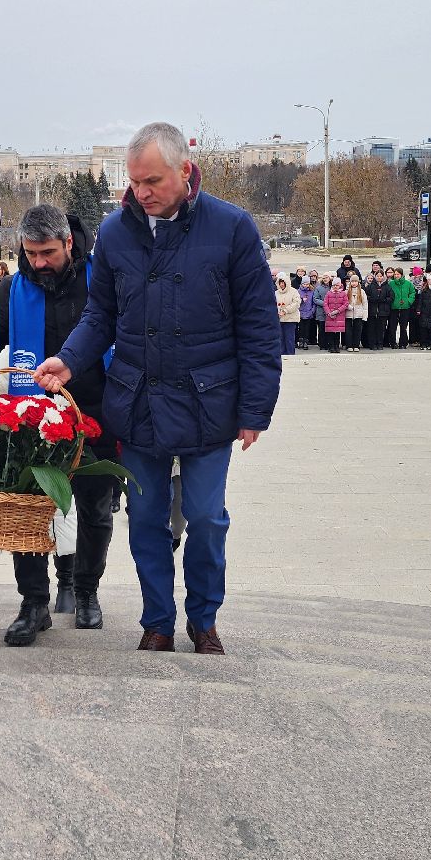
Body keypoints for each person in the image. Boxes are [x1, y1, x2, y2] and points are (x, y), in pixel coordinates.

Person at [33, 122, 281, 655]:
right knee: (145, 517)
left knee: (207, 517)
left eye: (152, 181)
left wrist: (255, 409)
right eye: (134, 181)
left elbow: (259, 326)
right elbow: (100, 314)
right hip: (138, 400)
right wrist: (68, 362)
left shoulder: (233, 228)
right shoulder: (116, 232)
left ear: (184, 172)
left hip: (208, 401)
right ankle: (158, 621)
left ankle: (203, 618)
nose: (141, 192)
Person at [0, 205, 122, 642]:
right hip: (31, 416)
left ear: (68, 243)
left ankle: (85, 590)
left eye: (48, 253)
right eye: (30, 252)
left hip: (94, 411)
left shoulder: (100, 279)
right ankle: (34, 602)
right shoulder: (14, 288)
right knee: (29, 511)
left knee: (94, 510)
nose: (38, 262)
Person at [388, 266, 416, 348]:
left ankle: (403, 343)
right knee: (393, 327)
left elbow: (412, 293)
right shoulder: (391, 283)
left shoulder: (408, 284)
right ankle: (393, 343)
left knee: (403, 327)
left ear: (402, 274)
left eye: (398, 274)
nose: (396, 276)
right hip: (394, 308)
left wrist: (408, 301)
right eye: (395, 274)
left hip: (405, 308)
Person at [364, 269, 390, 350]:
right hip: (372, 311)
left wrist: (383, 300)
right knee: (372, 329)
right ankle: (372, 344)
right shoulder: (371, 286)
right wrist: (372, 299)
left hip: (382, 311)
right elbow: (366, 296)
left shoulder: (387, 286)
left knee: (381, 329)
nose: (379, 277)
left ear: (383, 277)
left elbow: (391, 297)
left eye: (381, 276)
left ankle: (380, 344)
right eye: (377, 276)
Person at [321, 275, 346, 353]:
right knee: (331, 332)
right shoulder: (329, 293)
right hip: (330, 316)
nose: (335, 287)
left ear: (340, 285)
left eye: (337, 285)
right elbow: (325, 304)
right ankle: (331, 346)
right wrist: (329, 313)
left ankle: (336, 346)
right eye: (334, 285)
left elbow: (345, 304)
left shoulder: (343, 293)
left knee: (337, 332)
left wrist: (338, 311)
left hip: (339, 315)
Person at [276, 275, 300, 355]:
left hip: (290, 319)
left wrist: (285, 310)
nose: (282, 284)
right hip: (279, 318)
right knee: (281, 339)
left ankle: (290, 355)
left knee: (289, 339)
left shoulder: (293, 291)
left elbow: (296, 303)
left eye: (283, 283)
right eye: (280, 283)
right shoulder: (276, 293)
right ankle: (282, 355)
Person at [343, 273, 367, 352]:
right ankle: (349, 345)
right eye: (352, 281)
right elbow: (344, 302)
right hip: (348, 314)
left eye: (355, 281)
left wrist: (364, 316)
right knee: (348, 331)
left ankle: (356, 345)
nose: (354, 283)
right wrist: (349, 307)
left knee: (357, 330)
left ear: (358, 282)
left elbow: (365, 304)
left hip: (358, 314)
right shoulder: (346, 292)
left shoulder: (362, 291)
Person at [296, 273, 316, 351]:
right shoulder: (298, 291)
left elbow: (313, 302)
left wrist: (312, 311)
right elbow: (296, 302)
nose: (306, 285)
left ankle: (306, 342)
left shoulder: (311, 291)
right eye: (304, 284)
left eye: (307, 284)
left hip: (309, 312)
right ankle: (300, 341)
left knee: (307, 328)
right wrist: (301, 300)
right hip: (301, 313)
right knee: (301, 328)